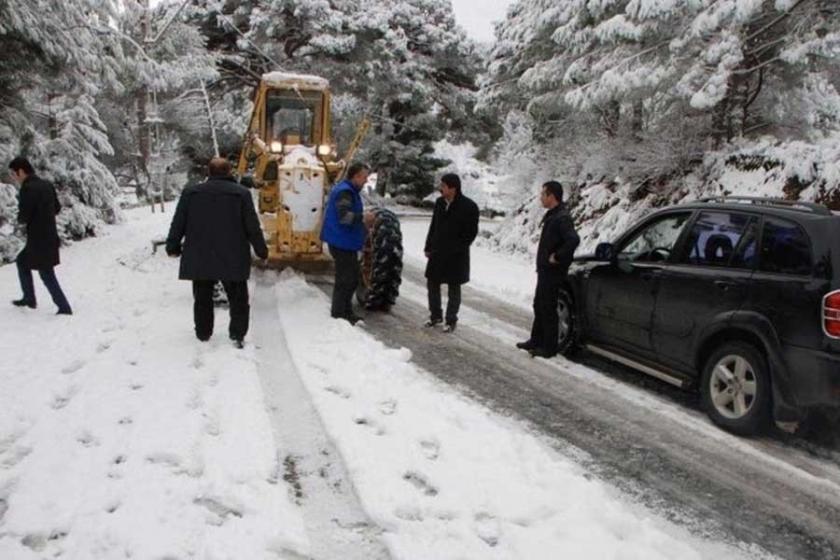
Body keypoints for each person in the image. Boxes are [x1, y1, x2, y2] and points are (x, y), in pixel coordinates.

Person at [166, 157, 268, 348]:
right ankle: (237, 334)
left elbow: (178, 222)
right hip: (233, 254)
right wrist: (261, 250)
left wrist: (172, 247)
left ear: (209, 173)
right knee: (238, 298)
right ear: (230, 172)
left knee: (202, 297)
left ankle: (203, 333)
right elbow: (252, 226)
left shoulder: (191, 193)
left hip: (200, 254)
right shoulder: (241, 194)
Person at [517, 181, 580, 358]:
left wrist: (558, 257)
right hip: (545, 270)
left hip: (554, 272)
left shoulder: (562, 218)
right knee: (539, 304)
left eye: (543, 194)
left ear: (551, 196)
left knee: (548, 307)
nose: (540, 197)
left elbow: (573, 240)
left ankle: (549, 347)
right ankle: (536, 339)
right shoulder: (554, 215)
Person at [8, 157, 72, 315]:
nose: (14, 178)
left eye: (14, 174)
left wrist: (19, 219)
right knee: (22, 262)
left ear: (21, 171)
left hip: (37, 239)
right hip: (49, 235)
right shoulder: (46, 184)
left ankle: (64, 307)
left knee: (46, 273)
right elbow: (56, 208)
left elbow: (24, 216)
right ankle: (29, 297)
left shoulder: (27, 188)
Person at [423, 173, 479, 332]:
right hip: (437, 251)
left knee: (454, 287)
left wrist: (458, 248)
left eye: (444, 186)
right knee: (432, 283)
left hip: (456, 255)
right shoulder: (440, 203)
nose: (441, 189)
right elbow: (433, 226)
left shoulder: (469, 207)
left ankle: (451, 319)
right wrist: (428, 246)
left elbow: (471, 233)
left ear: (453, 188)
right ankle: (435, 315)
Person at [320, 162, 375, 325]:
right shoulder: (345, 192)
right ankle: (339, 314)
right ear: (356, 176)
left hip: (344, 241)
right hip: (341, 242)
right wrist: (363, 218)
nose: (365, 181)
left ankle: (344, 312)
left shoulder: (349, 190)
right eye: (364, 177)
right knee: (346, 279)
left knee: (349, 278)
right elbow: (344, 218)